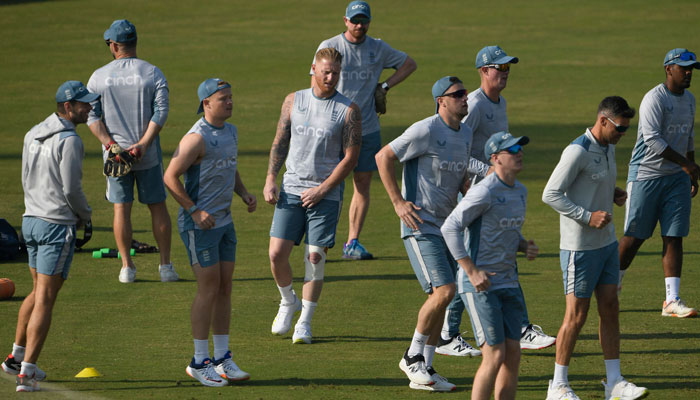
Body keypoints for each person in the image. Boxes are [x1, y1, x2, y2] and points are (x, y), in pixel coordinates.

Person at [438, 45, 555, 357]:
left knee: (489, 264)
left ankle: (452, 333)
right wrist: (484, 170)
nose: (504, 73)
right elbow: (456, 147)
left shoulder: (500, 103)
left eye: (507, 69)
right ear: (483, 71)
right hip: (478, 196)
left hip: (493, 193)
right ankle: (456, 333)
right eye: (499, 68)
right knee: (477, 265)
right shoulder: (474, 104)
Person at [543, 97, 648, 400]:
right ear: (603, 120)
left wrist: (609, 192)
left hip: (606, 244)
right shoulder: (577, 151)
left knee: (611, 307)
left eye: (627, 129)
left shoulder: (608, 146)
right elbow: (550, 194)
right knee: (576, 315)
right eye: (619, 128)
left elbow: (590, 183)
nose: (622, 135)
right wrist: (587, 216)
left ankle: (614, 382)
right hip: (580, 248)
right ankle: (558, 385)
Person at [375, 76, 472, 392]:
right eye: (457, 94)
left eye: (465, 93)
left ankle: (426, 368)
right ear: (441, 101)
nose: (464, 98)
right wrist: (398, 203)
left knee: (445, 296)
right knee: (443, 292)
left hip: (446, 227)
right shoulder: (425, 130)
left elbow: (457, 178)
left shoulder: (466, 133)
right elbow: (383, 156)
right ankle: (412, 355)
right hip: (419, 226)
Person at [2, 81, 96, 392]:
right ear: (68, 108)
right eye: (83, 104)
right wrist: (86, 215)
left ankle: (16, 358)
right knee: (46, 297)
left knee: (38, 291)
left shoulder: (32, 132)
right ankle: (26, 373)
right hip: (56, 226)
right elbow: (71, 189)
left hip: (30, 221)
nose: (89, 108)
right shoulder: (70, 141)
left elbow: (26, 177)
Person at [264, 48, 362, 345]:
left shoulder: (349, 110)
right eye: (326, 72)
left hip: (325, 195)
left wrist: (323, 189)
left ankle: (305, 321)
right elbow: (281, 141)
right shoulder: (294, 101)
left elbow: (351, 158)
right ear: (313, 70)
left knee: (314, 257)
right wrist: (271, 178)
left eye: (335, 73)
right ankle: (287, 301)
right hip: (292, 189)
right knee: (276, 254)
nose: (331, 78)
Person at [163, 79, 256, 387]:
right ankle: (199, 361)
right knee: (208, 289)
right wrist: (194, 211)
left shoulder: (231, 132)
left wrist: (242, 193)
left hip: (225, 224)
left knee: (225, 287)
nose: (230, 102)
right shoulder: (195, 139)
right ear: (206, 103)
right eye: (223, 98)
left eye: (231, 97)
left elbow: (228, 166)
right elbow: (170, 177)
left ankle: (222, 358)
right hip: (199, 226)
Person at [313, 0, 417, 260]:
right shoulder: (330, 47)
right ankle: (320, 242)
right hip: (333, 128)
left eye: (364, 21)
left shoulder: (378, 48)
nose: (359, 25)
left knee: (362, 184)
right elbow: (315, 81)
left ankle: (352, 243)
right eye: (355, 20)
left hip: (367, 127)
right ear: (345, 21)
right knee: (328, 184)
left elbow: (409, 64)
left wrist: (384, 87)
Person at [442, 131, 538, 400]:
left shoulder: (520, 191)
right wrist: (471, 271)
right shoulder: (484, 191)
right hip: (480, 286)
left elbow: (501, 230)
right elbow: (450, 227)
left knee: (513, 354)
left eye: (520, 148)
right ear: (495, 159)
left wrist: (523, 245)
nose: (519, 153)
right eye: (512, 150)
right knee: (494, 355)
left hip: (509, 282)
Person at [87, 19, 177, 283]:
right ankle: (166, 267)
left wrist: (110, 144)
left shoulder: (99, 76)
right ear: (135, 43)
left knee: (120, 209)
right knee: (157, 207)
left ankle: (127, 267)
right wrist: (144, 144)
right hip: (147, 156)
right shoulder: (152, 73)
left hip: (115, 159)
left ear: (114, 46)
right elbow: (161, 112)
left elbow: (92, 116)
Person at [618, 48, 700, 318]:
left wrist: (690, 169)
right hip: (646, 175)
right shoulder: (654, 99)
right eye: (683, 67)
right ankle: (611, 287)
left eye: (691, 68)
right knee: (634, 237)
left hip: (676, 177)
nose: (689, 72)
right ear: (668, 69)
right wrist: (686, 164)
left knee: (674, 236)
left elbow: (688, 137)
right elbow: (653, 140)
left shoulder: (689, 100)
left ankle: (671, 301)